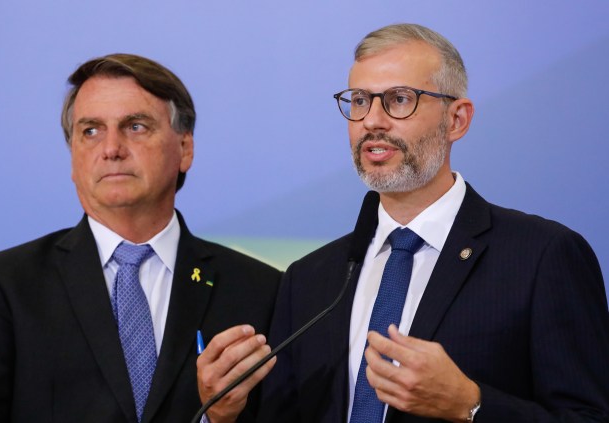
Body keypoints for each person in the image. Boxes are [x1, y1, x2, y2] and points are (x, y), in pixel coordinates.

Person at [204, 23, 609, 422]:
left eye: (399, 99)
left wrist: (470, 404)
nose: (372, 121)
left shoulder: (542, 257)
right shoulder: (310, 279)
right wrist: (222, 415)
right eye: (360, 100)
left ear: (457, 120)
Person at [0, 53, 281, 423]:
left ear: (185, 148)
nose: (111, 148)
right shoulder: (9, 283)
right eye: (90, 131)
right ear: (73, 157)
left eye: (135, 126)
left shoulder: (260, 289)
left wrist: (217, 418)